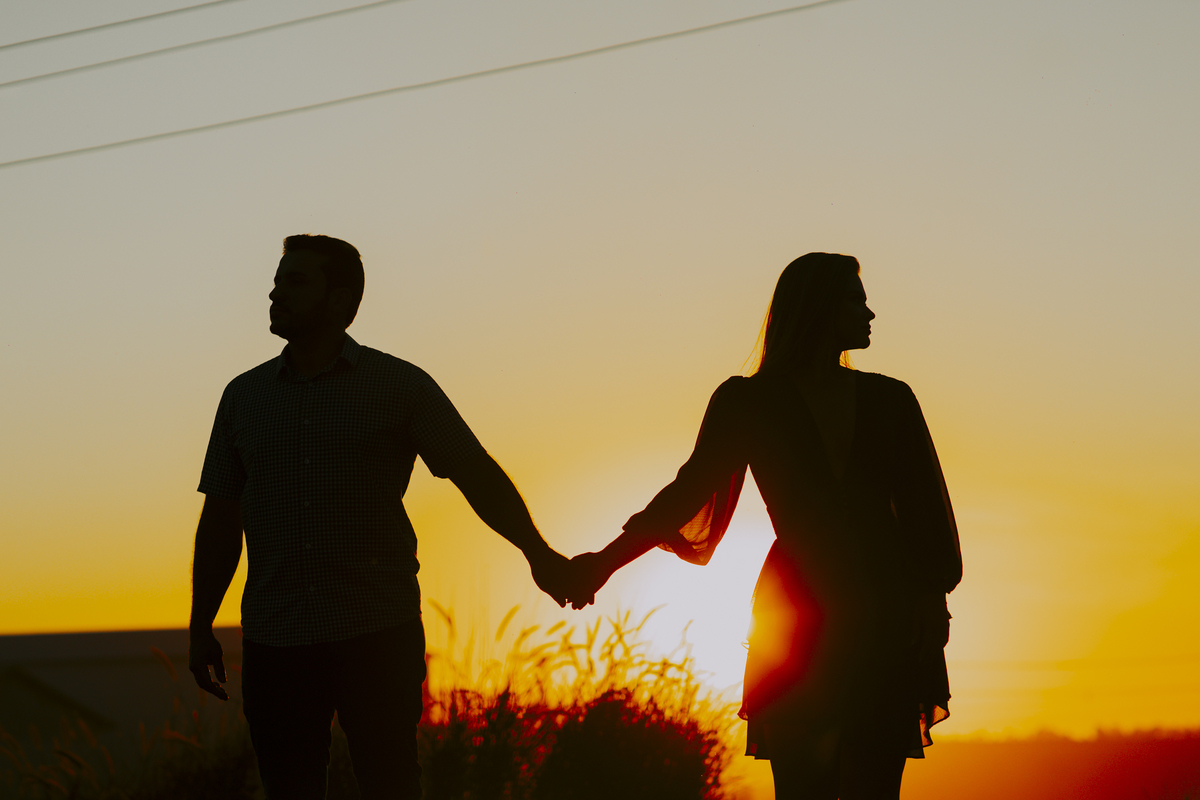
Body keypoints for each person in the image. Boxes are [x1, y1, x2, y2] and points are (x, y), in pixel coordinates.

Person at [188, 234, 573, 800]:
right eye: (276, 281)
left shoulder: (399, 386)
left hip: (376, 635)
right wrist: (201, 624)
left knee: (391, 784)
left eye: (295, 281)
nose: (274, 292)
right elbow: (221, 518)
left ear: (341, 301)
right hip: (277, 641)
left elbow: (474, 471)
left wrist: (538, 554)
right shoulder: (243, 398)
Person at [567, 253, 962, 799]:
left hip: (885, 611)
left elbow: (924, 512)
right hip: (797, 612)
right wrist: (603, 564)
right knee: (803, 785)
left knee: (875, 782)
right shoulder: (748, 401)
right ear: (818, 309)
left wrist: (932, 600)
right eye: (856, 299)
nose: (870, 312)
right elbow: (685, 494)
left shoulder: (891, 398)